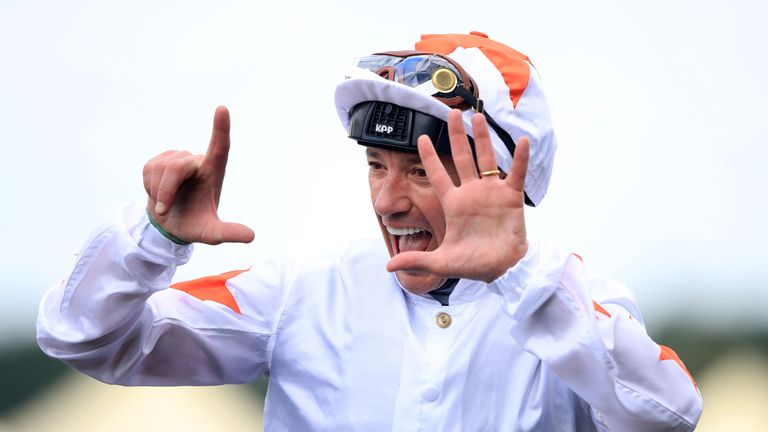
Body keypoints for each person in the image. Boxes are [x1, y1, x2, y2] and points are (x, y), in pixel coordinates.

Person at [37, 32, 702, 431]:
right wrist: (153, 239)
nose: (389, 201)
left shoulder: (572, 297)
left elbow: (666, 416)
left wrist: (522, 278)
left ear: (507, 178)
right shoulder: (303, 290)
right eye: (376, 165)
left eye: (420, 170)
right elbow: (83, 340)